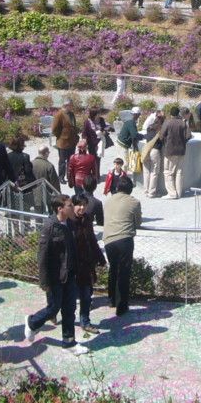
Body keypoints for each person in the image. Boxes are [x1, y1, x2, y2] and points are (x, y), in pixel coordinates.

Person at [24, 194, 86, 353]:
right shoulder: (50, 227)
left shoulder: (71, 224)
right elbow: (42, 255)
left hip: (70, 274)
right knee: (53, 308)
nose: (73, 208)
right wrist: (44, 281)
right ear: (60, 209)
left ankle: (69, 342)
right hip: (55, 277)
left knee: (69, 309)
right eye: (70, 205)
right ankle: (32, 322)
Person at [103, 176, 142, 318]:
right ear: (130, 189)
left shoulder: (108, 201)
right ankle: (122, 306)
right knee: (124, 272)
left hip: (108, 240)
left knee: (113, 269)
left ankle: (111, 299)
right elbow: (138, 223)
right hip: (124, 239)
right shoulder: (134, 202)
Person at [71, 192, 106, 338]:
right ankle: (56, 313)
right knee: (68, 298)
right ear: (72, 205)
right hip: (72, 267)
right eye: (79, 205)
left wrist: (100, 257)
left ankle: (85, 321)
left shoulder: (87, 219)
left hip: (85, 265)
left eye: (84, 205)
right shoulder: (68, 222)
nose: (82, 208)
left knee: (86, 295)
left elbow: (92, 240)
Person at [158, 105, 191, 199]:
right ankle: (179, 193)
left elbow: (161, 136)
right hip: (181, 151)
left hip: (170, 151)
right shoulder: (183, 123)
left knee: (168, 172)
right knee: (179, 172)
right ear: (178, 113)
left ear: (170, 114)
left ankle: (172, 193)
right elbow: (188, 136)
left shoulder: (167, 123)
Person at [51, 100, 80, 181]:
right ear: (66, 105)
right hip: (63, 142)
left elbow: (73, 125)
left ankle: (69, 175)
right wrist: (60, 136)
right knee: (62, 161)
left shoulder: (71, 114)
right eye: (71, 105)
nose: (72, 107)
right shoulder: (59, 114)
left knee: (71, 160)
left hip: (72, 141)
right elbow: (54, 129)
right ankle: (61, 177)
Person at [140, 109, 166, 198]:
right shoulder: (161, 129)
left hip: (146, 150)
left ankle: (146, 191)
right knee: (154, 172)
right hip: (155, 151)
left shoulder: (149, 127)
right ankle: (152, 192)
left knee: (146, 171)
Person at [31, 146, 61, 212]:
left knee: (38, 214)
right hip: (47, 193)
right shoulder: (49, 165)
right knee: (52, 212)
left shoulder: (31, 163)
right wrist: (59, 195)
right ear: (46, 153)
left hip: (34, 192)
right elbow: (55, 182)